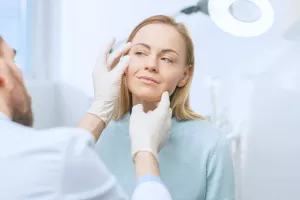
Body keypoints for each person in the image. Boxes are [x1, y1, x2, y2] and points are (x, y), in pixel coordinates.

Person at [0, 36, 173, 200]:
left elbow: (55, 166)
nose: (151, 65)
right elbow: (60, 161)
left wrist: (100, 109)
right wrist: (146, 153)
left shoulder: (46, 157)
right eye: (13, 62)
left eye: (167, 58)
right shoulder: (57, 154)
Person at [94, 15, 236, 200]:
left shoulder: (211, 143)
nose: (151, 65)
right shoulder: (98, 136)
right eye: (140, 53)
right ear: (124, 61)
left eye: (167, 59)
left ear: (184, 75)